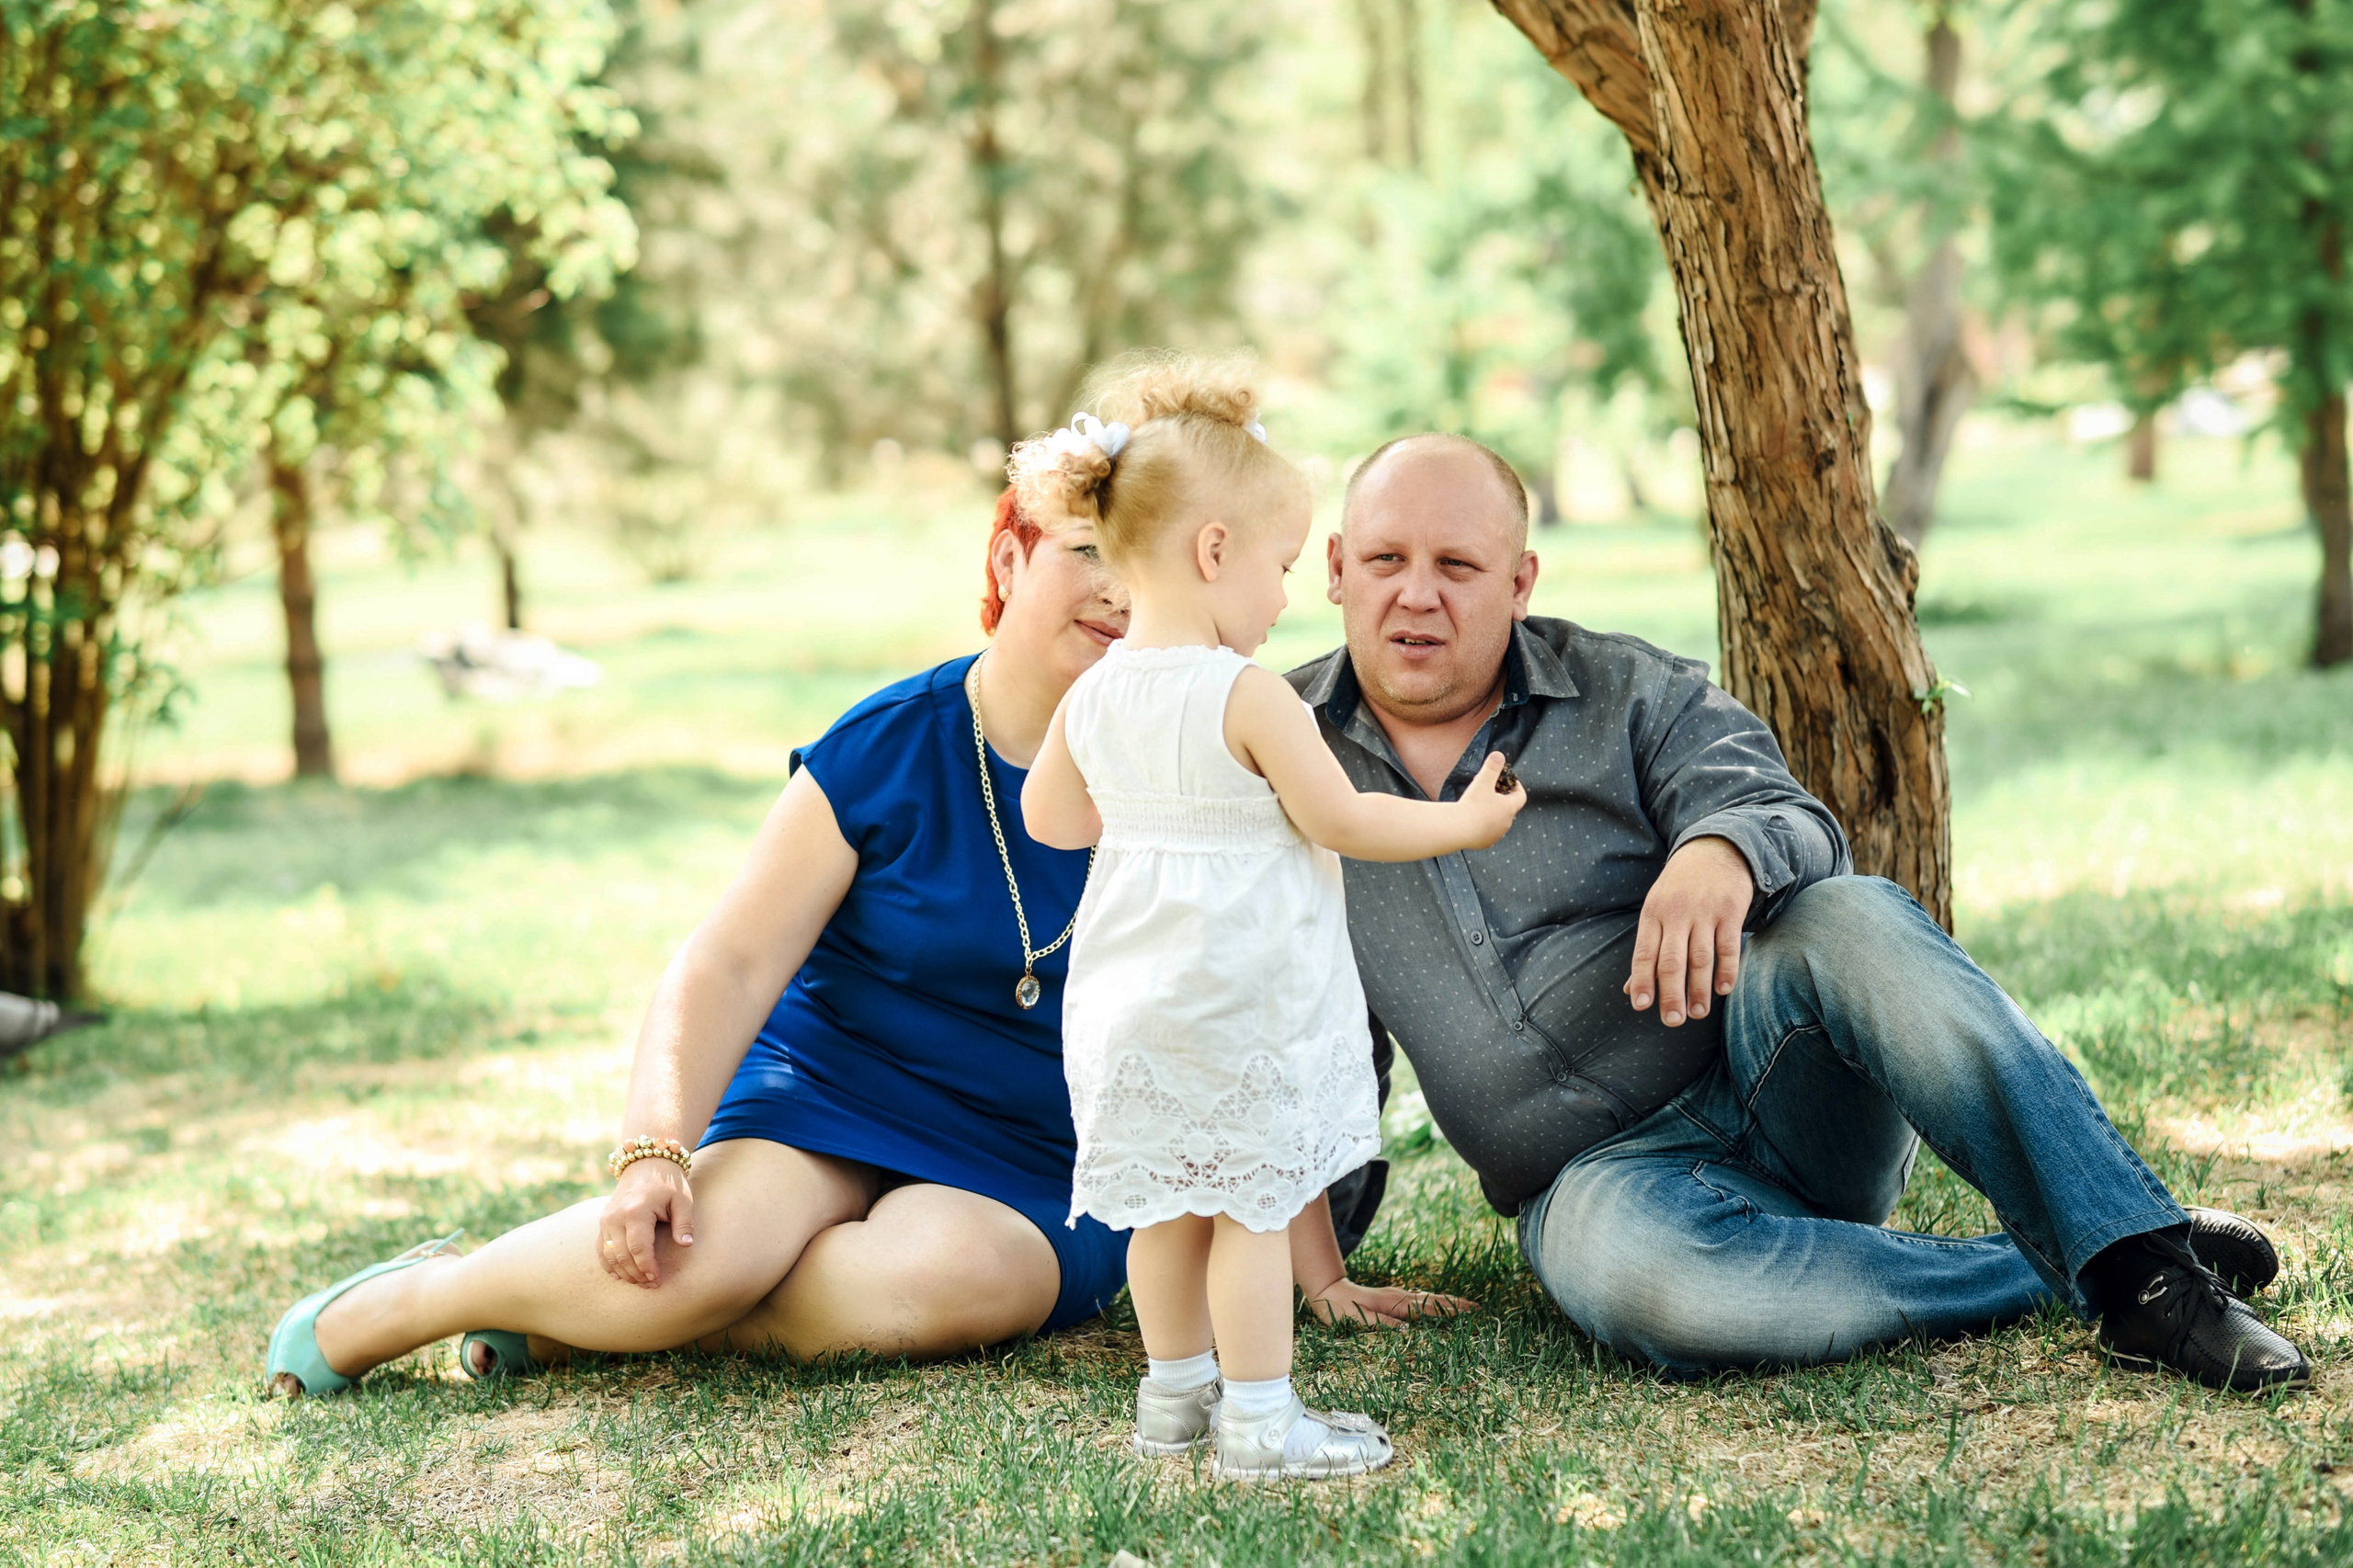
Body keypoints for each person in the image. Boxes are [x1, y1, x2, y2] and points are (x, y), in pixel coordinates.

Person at [265, 487, 1438, 1398]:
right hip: (834, 1089)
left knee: (943, 1280)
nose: (1116, 590)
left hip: (1052, 1155)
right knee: (702, 1245)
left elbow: (1263, 1006)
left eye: (1141, 556)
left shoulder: (1216, 758)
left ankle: (585, 1317)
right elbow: (724, 964)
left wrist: (1313, 1258)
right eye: (1083, 549)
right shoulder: (888, 743)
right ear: (1005, 559)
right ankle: (424, 1295)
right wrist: (653, 1149)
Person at [1282, 431, 2309, 1393]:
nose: (1416, 594)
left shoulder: (1627, 692)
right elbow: (1292, 1026)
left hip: (1774, 1075)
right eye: (1385, 560)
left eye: (1457, 566)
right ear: (1335, 567)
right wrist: (1298, 1249)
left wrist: (1719, 848)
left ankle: (2147, 1276)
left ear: (1519, 581)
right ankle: (2057, 1262)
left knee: (1847, 916)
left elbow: (1781, 807)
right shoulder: (1280, 762)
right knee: (1656, 1291)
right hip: (1596, 1188)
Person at [1017, 361, 1524, 1480]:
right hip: (1236, 993)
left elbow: (1049, 818)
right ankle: (1257, 1417)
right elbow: (1341, 816)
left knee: (1164, 1210)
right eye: (1280, 567)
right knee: (1247, 1205)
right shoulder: (1247, 693)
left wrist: (1150, 814)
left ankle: (1173, 1397)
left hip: (1129, 999)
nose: (1287, 599)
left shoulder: (1094, 694)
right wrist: (1464, 823)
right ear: (1212, 553)